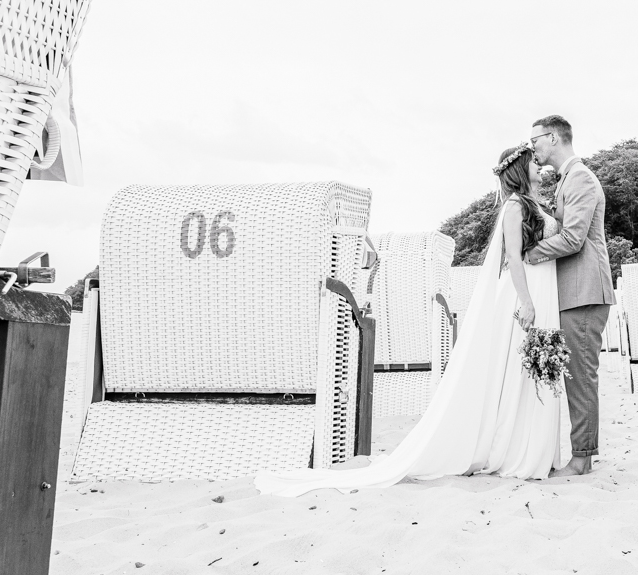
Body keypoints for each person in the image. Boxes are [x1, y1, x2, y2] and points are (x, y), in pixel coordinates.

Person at [254, 144, 565, 495]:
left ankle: (532, 446)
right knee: (519, 372)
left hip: (543, 288)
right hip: (526, 291)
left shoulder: (536, 204)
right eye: (534, 164)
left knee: (528, 371)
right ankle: (516, 450)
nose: (540, 168)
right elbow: (513, 255)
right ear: (521, 169)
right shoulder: (514, 207)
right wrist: (525, 300)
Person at [526, 115, 615, 476]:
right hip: (573, 293)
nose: (532, 146)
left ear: (552, 137)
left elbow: (574, 238)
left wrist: (530, 254)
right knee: (572, 375)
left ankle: (581, 460)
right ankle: (580, 454)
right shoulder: (567, 180)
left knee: (579, 377)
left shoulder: (579, 178)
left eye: (535, 140)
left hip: (584, 291)